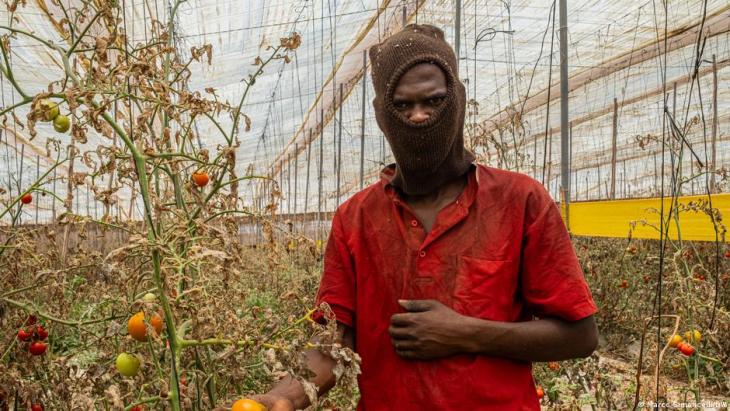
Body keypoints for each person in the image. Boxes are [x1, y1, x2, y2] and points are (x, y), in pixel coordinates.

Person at [247, 24, 598, 410]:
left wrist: (467, 333)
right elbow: (333, 345)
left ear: (457, 101)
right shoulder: (356, 219)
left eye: (434, 101)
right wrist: (275, 400)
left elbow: (579, 335)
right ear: (381, 114)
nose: (418, 116)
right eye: (402, 105)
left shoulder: (520, 201)